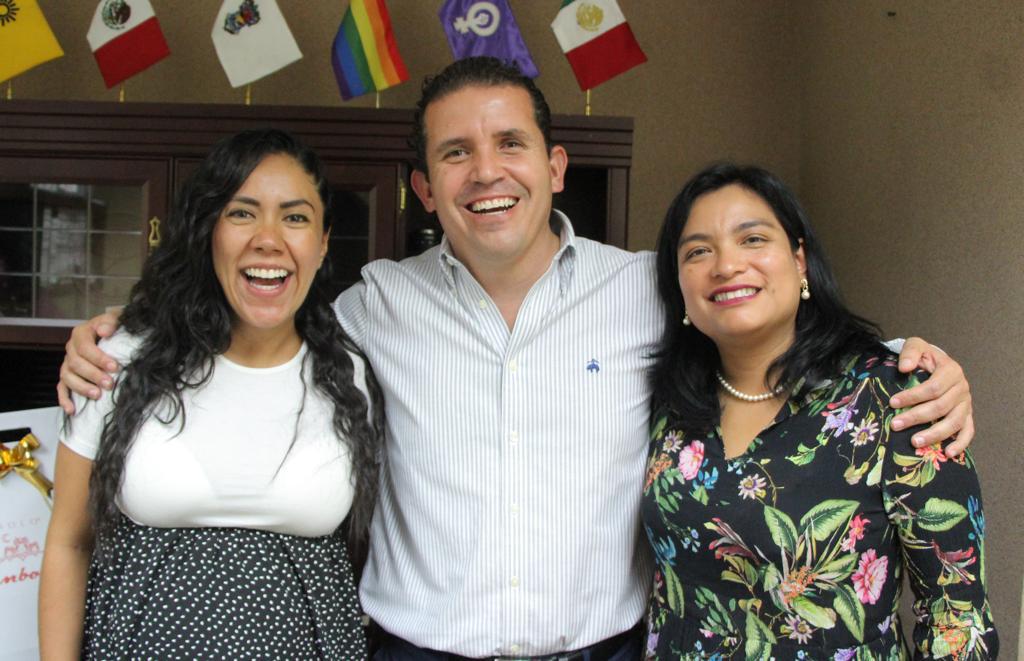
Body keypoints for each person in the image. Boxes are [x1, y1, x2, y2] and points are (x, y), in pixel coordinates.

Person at [56, 58, 976, 659]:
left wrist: (903, 359)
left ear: (556, 165)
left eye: (510, 144)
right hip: (412, 649)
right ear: (424, 188)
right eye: (455, 153)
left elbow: (752, 310)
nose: (486, 171)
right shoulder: (373, 304)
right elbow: (256, 310)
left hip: (605, 648)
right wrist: (113, 337)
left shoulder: (647, 289)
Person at [39, 129, 382, 659]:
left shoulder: (350, 375)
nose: (268, 239)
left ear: (322, 242)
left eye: (295, 217)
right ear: (208, 231)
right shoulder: (116, 360)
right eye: (242, 213)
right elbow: (68, 542)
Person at [643, 163, 997, 659]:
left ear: (800, 261)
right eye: (698, 251)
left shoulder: (894, 396)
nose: (725, 265)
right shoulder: (668, 403)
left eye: (752, 239)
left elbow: (956, 617)